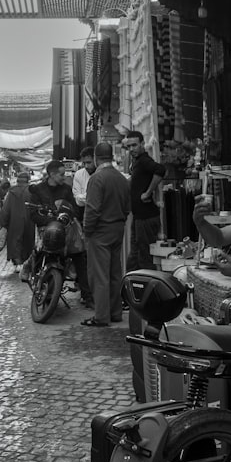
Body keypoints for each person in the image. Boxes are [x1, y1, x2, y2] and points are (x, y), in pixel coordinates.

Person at [28, 160, 90, 307]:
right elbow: (33, 214)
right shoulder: (38, 190)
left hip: (65, 231)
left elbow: (74, 209)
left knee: (79, 256)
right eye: (61, 174)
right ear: (52, 174)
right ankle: (34, 276)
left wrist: (67, 216)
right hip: (45, 231)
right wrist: (50, 219)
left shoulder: (66, 190)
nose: (64, 177)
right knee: (38, 255)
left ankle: (87, 295)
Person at [82, 142, 131, 327]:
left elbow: (92, 209)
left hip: (100, 231)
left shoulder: (97, 178)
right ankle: (115, 312)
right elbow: (127, 207)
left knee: (99, 275)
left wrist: (87, 232)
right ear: (110, 157)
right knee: (114, 272)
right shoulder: (121, 178)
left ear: (96, 157)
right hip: (117, 229)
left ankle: (101, 316)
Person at [124, 130, 166, 271]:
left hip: (146, 218)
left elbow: (160, 170)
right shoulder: (137, 162)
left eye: (134, 145)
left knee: (145, 259)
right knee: (135, 258)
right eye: (129, 146)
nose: (131, 149)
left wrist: (148, 193)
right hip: (139, 218)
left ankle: (146, 290)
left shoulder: (144, 160)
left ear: (142, 144)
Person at [0, 170, 35, 273]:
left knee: (15, 242)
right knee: (27, 241)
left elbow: (6, 208)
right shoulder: (32, 192)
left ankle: (18, 263)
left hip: (14, 221)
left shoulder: (12, 192)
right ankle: (25, 262)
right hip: (29, 221)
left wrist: (3, 222)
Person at [72, 147, 96, 223]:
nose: (86, 166)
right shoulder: (79, 174)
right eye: (84, 163)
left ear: (96, 160)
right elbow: (78, 201)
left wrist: (83, 197)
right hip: (82, 213)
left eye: (89, 163)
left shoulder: (102, 174)